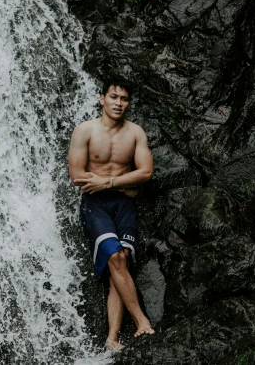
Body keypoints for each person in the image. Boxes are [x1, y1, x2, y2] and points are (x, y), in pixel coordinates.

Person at [68, 77, 155, 352]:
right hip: (95, 205)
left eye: (124, 99)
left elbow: (147, 172)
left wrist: (109, 182)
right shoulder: (85, 131)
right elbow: (77, 176)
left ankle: (112, 339)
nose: (119, 103)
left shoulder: (135, 133)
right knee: (116, 257)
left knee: (122, 261)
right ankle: (142, 321)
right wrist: (127, 183)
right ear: (101, 98)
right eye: (114, 97)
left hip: (123, 203)